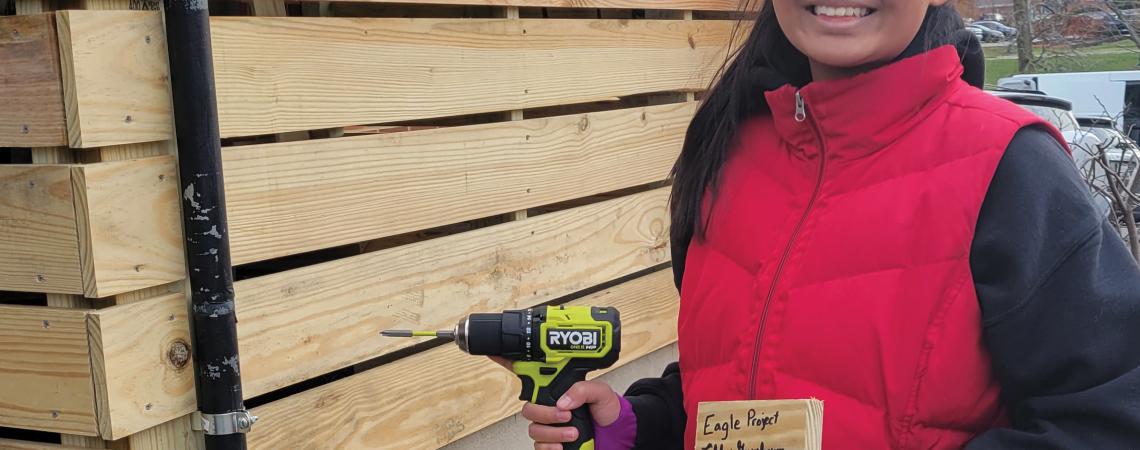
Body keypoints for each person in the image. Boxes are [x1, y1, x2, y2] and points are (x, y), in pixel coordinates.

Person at [509, 1, 1140, 449]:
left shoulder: (1010, 164)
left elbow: (1109, 418)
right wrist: (640, 427)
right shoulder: (727, 151)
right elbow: (734, 376)